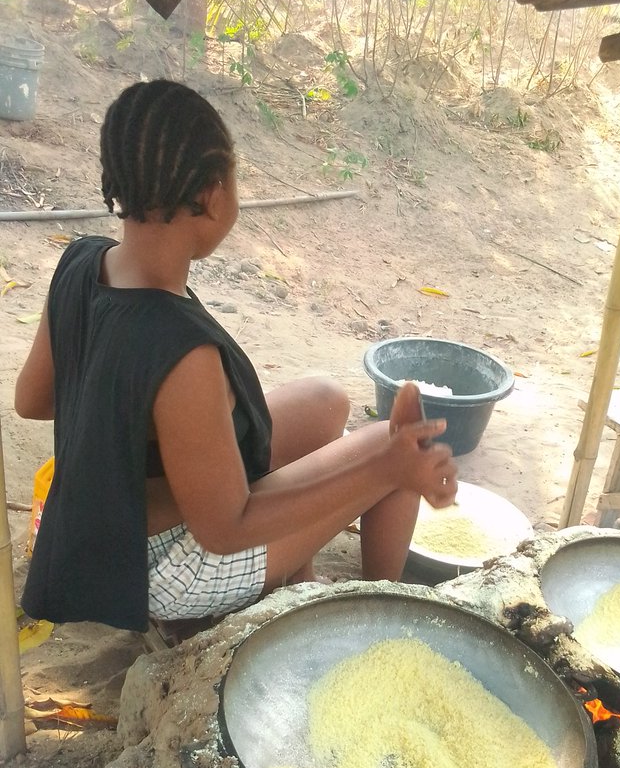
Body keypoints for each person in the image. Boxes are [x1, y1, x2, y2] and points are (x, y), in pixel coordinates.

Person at [15, 79, 458, 632]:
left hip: (107, 528)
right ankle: (377, 616)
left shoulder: (81, 262)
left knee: (326, 400)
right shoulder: (180, 351)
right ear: (212, 194)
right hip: (160, 569)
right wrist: (386, 467)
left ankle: (297, 577)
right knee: (389, 454)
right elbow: (226, 528)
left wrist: (143, 429)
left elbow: (31, 400)